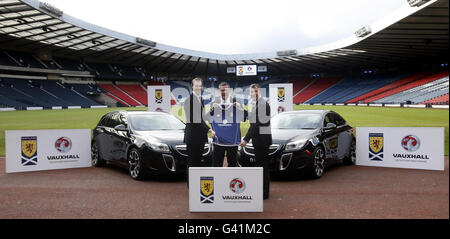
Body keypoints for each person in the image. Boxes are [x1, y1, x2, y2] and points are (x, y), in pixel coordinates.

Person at [240, 84, 272, 200]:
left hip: (262, 140)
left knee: (262, 166)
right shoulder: (259, 104)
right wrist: (242, 110)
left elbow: (255, 124)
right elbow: (253, 118)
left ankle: (264, 193)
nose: (253, 94)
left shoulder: (262, 104)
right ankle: (263, 191)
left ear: (260, 92)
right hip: (261, 140)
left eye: (255, 92)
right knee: (261, 166)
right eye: (251, 92)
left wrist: (246, 139)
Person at [183, 77, 215, 188]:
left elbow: (202, 117)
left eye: (199, 85)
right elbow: (196, 120)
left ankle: (195, 184)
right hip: (193, 137)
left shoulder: (200, 99)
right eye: (195, 85)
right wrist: (209, 130)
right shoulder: (189, 100)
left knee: (197, 162)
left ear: (202, 86)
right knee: (192, 163)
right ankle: (191, 187)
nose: (198, 87)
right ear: (192, 86)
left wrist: (212, 110)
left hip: (200, 137)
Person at [209, 82, 247, 167]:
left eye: (226, 90)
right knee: (217, 166)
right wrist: (212, 131)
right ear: (219, 90)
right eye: (222, 90)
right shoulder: (214, 102)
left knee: (232, 166)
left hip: (233, 141)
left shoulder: (237, 102)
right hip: (218, 140)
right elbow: (209, 118)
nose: (224, 92)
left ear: (229, 90)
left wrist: (240, 108)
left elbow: (244, 118)